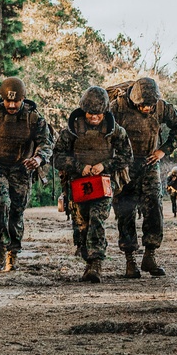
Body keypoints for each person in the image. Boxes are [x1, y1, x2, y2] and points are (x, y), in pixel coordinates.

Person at [52, 86, 132, 283]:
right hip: (78, 183)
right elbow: (57, 157)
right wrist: (80, 167)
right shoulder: (72, 130)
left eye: (98, 114)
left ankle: (96, 264)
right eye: (91, 113)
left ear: (104, 111)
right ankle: (87, 255)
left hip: (104, 182)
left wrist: (104, 165)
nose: (94, 117)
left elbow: (126, 156)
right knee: (82, 224)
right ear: (83, 110)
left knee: (97, 218)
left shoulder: (115, 131)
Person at [109, 77, 177, 278]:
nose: (147, 108)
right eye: (143, 105)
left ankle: (150, 255)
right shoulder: (117, 108)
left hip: (150, 163)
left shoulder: (161, 107)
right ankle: (130, 260)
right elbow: (102, 132)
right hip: (124, 166)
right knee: (125, 210)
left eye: (150, 105)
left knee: (154, 207)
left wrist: (163, 150)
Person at [0, 77, 53, 272]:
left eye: (16, 101)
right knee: (0, 205)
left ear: (23, 99)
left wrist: (38, 159)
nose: (11, 105)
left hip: (22, 169)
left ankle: (13, 253)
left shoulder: (33, 118)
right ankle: (0, 251)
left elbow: (46, 144)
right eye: (7, 101)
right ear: (2, 99)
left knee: (16, 213)